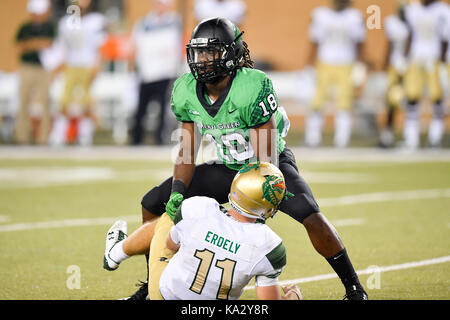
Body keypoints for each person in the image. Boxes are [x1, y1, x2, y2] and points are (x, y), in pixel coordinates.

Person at [120, 17, 367, 300]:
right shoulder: (185, 89)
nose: (203, 59)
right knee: (153, 204)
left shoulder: (253, 87)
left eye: (211, 52)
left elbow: (266, 156)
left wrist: (258, 204)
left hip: (266, 165)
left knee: (309, 214)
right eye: (199, 52)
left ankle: (354, 288)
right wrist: (177, 192)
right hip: (228, 166)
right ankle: (154, 284)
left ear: (231, 54)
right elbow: (187, 151)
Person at [105, 162, 303, 300]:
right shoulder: (269, 244)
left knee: (166, 221)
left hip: (166, 295)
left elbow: (170, 245)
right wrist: (292, 297)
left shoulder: (199, 208)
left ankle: (115, 253)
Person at [304, 0, 367, 148]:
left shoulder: (354, 16)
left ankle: (342, 139)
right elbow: (314, 41)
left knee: (345, 102)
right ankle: (313, 138)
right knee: (317, 100)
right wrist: (309, 63)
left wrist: (361, 63)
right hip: (325, 61)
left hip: (346, 62)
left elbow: (360, 42)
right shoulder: (320, 15)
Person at [49, 0, 106, 146]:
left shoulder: (96, 21)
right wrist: (57, 67)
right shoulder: (65, 23)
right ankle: (60, 134)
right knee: (64, 101)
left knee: (87, 102)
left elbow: (99, 46)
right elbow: (63, 48)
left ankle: (85, 135)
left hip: (88, 65)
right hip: (71, 65)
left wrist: (97, 66)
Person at [129, 0, 183, 146]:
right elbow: (135, 45)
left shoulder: (174, 22)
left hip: (165, 72)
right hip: (147, 72)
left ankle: (159, 140)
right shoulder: (144, 23)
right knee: (141, 108)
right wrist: (134, 67)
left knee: (162, 110)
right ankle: (136, 140)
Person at [402, 0, 449, 149]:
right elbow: (410, 34)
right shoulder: (413, 9)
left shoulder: (443, 10)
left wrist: (442, 61)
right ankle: (411, 139)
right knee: (411, 98)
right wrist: (405, 56)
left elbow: (445, 38)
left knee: (436, 98)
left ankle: (435, 139)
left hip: (434, 59)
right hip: (416, 58)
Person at [14, 0, 55, 145]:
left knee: (45, 102)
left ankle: (44, 138)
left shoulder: (49, 27)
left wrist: (31, 44)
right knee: (23, 101)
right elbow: (20, 46)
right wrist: (38, 43)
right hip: (27, 67)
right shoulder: (25, 27)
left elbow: (49, 43)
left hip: (43, 69)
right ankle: (22, 137)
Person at [379, 1, 410, 148]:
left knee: (411, 100)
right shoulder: (392, 22)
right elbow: (390, 46)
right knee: (392, 101)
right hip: (396, 66)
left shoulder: (415, 21)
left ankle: (411, 138)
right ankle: (388, 136)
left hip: (412, 65)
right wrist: (385, 65)